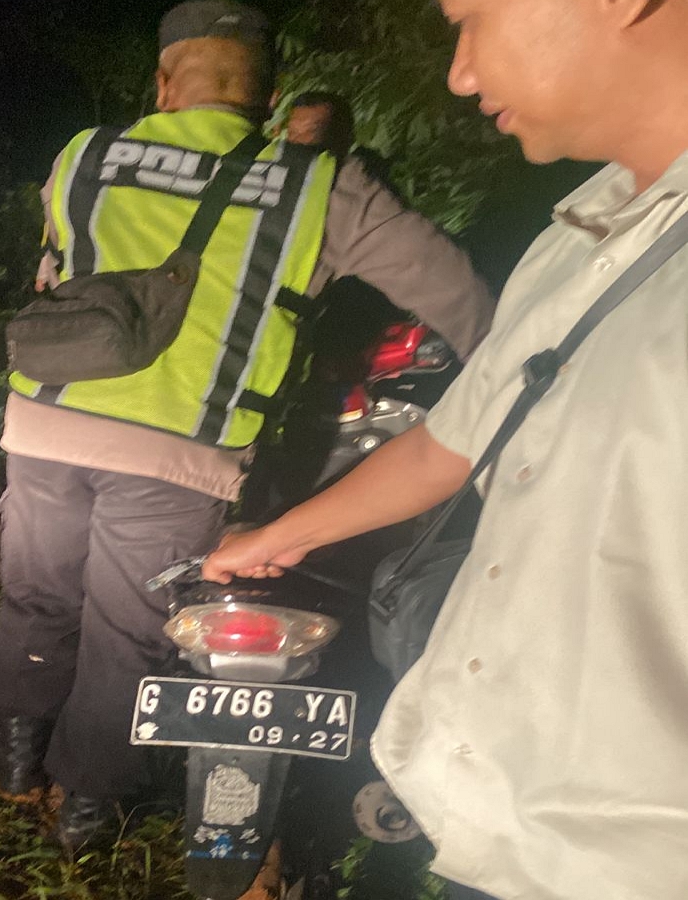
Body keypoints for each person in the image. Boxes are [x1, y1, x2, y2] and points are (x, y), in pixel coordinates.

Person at [0, 0, 494, 850]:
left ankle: (15, 754)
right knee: (127, 632)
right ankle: (87, 804)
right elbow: (462, 298)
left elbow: (56, 267)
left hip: (44, 420)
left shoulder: (83, 154)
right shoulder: (320, 187)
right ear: (271, 96)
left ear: (162, 83)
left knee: (37, 592)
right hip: (178, 453)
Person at [203, 1, 688, 898]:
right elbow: (451, 441)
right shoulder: (572, 245)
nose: (460, 73)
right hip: (495, 820)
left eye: (473, 18)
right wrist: (279, 536)